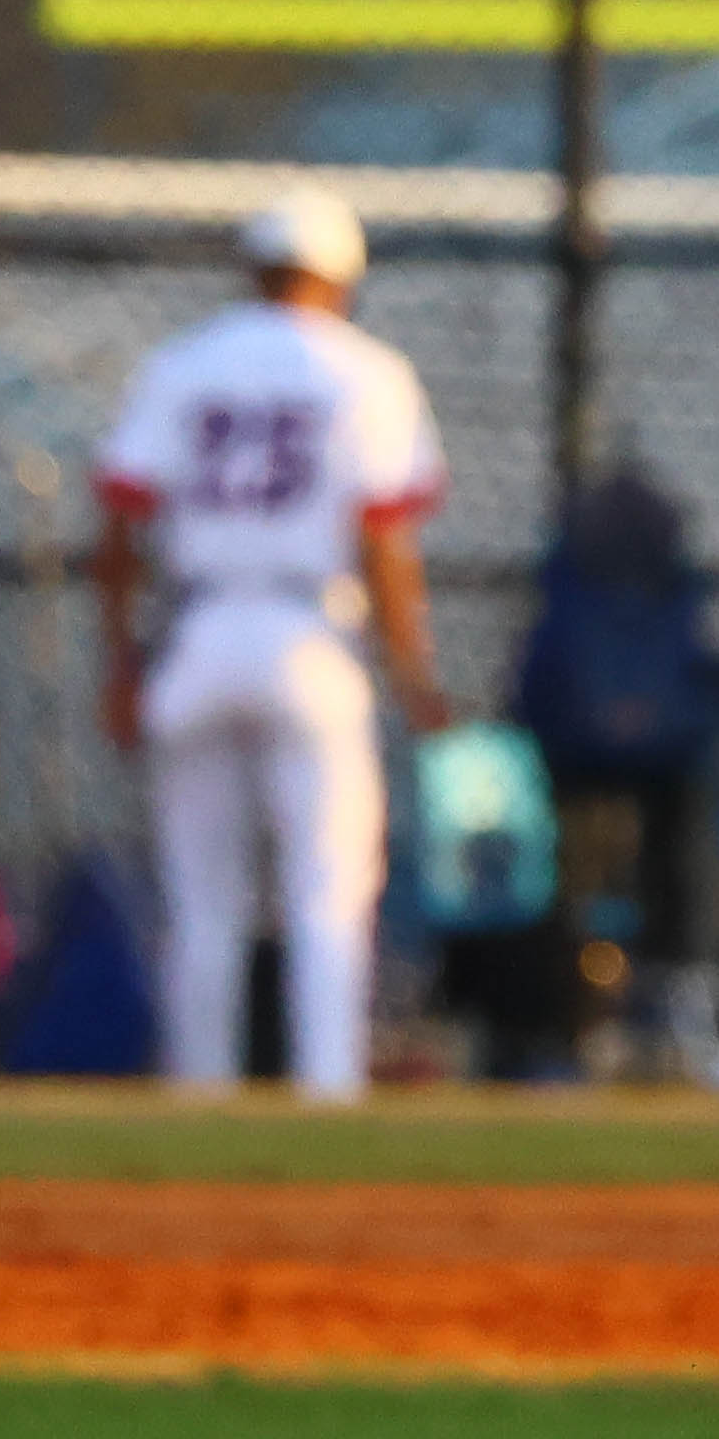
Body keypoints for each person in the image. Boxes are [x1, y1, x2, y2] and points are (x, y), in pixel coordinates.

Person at [91, 191, 449, 1100]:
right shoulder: (365, 370)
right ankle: (326, 1090)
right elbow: (383, 538)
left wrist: (123, 666)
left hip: (199, 630)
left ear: (251, 267)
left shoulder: (182, 363)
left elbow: (120, 528)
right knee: (327, 892)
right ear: (342, 277)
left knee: (201, 898)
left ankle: (200, 1093)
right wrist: (416, 676)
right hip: (309, 635)